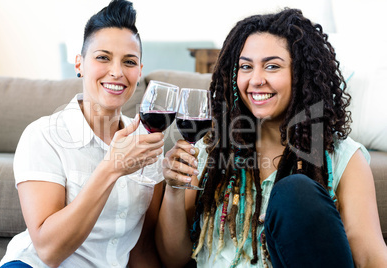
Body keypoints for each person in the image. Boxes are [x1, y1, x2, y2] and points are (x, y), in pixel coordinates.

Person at [156, 8, 387, 268]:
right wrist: (174, 191)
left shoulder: (342, 157)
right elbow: (173, 259)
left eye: (272, 66)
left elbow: (370, 258)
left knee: (295, 191)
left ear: (302, 75)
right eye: (245, 67)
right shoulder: (210, 150)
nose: (256, 79)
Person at [0, 1, 164, 267]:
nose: (117, 72)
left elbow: (141, 249)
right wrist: (112, 168)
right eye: (103, 57)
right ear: (80, 64)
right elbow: (49, 251)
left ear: (139, 71)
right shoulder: (43, 136)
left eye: (129, 62)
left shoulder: (147, 142)